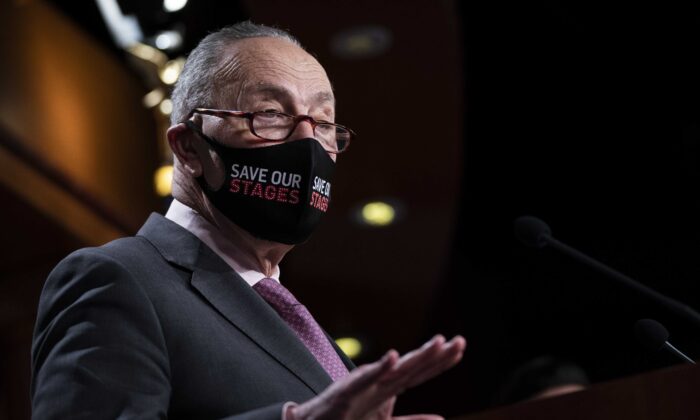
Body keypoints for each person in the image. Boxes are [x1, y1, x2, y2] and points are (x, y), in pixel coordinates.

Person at [31, 21, 466, 419]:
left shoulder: (305, 332)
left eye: (324, 122)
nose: (307, 141)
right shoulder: (116, 279)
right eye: (270, 115)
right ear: (188, 148)